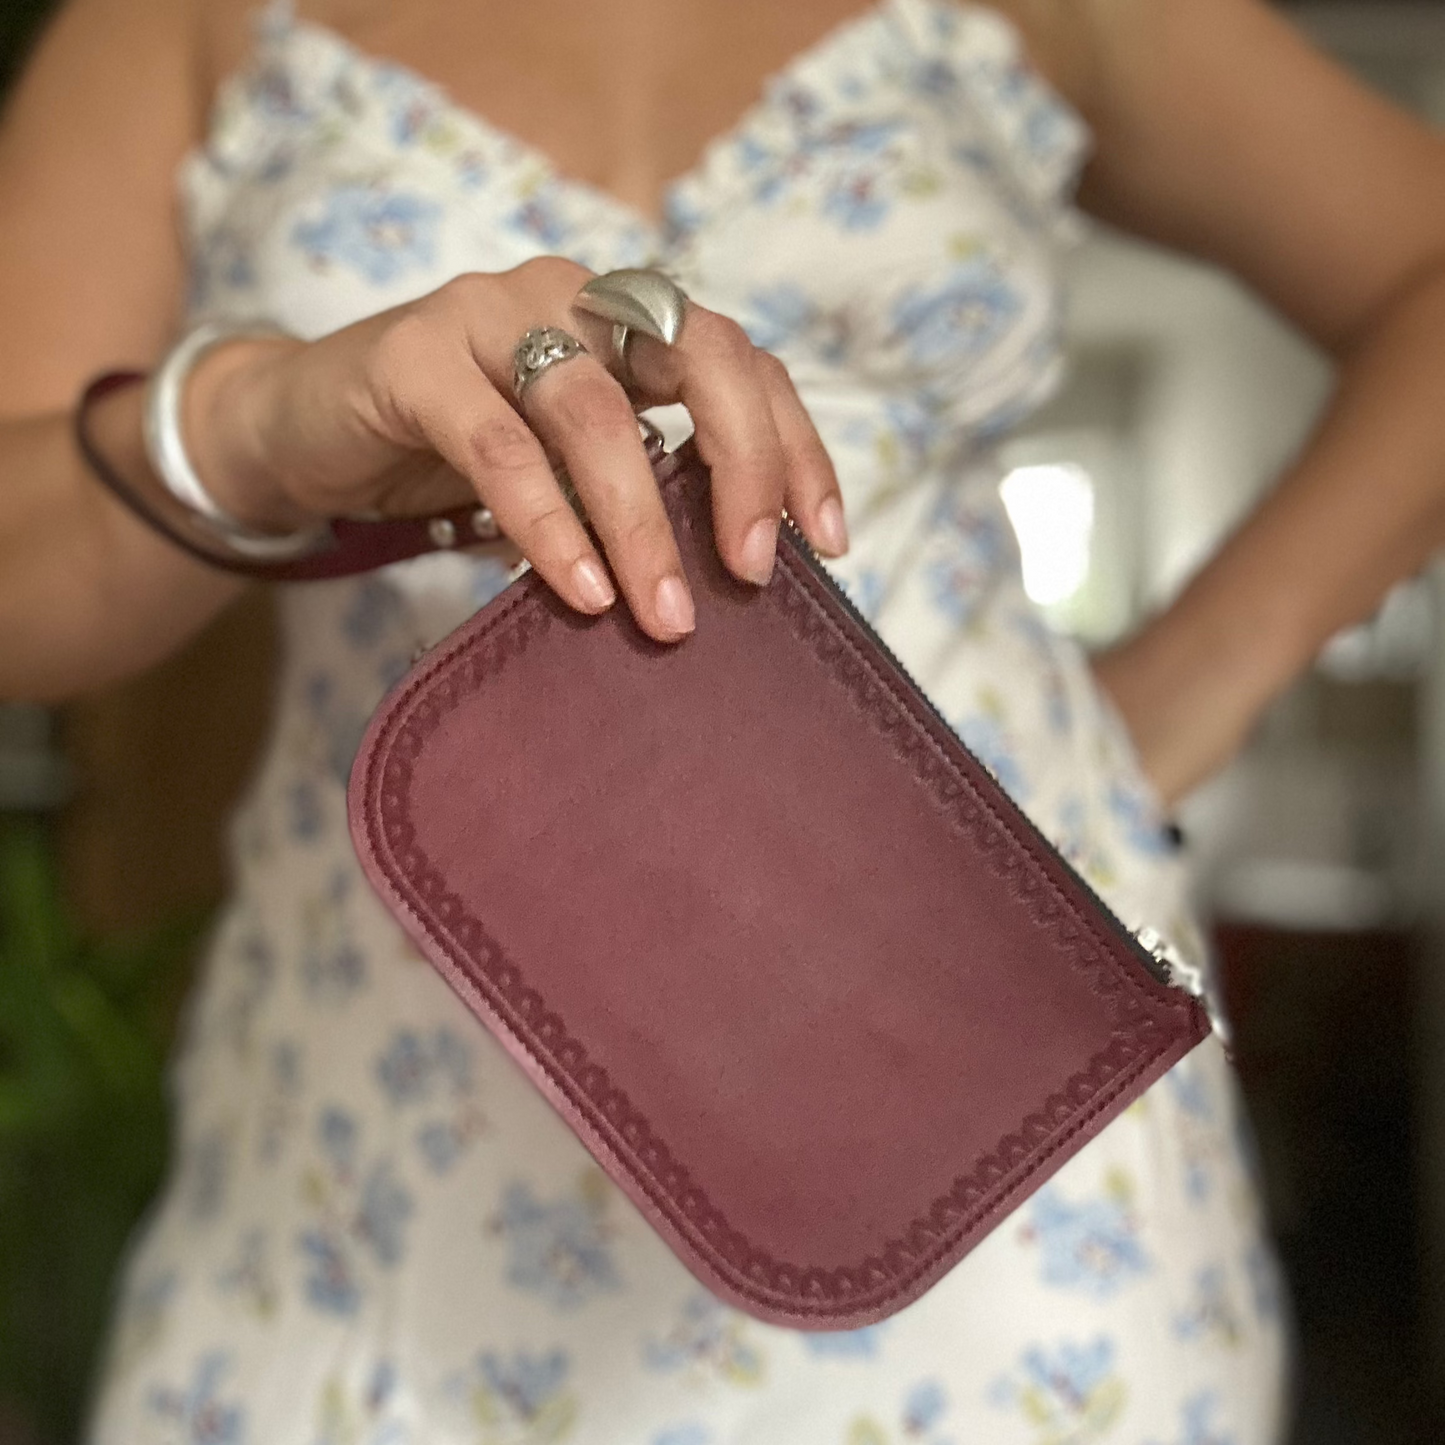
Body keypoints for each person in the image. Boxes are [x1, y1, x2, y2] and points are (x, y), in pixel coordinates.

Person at [3, 0, 1444, 1436]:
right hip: (387, 1121)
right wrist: (250, 425)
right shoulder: (178, 21)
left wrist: (1199, 675)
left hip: (969, 1072)